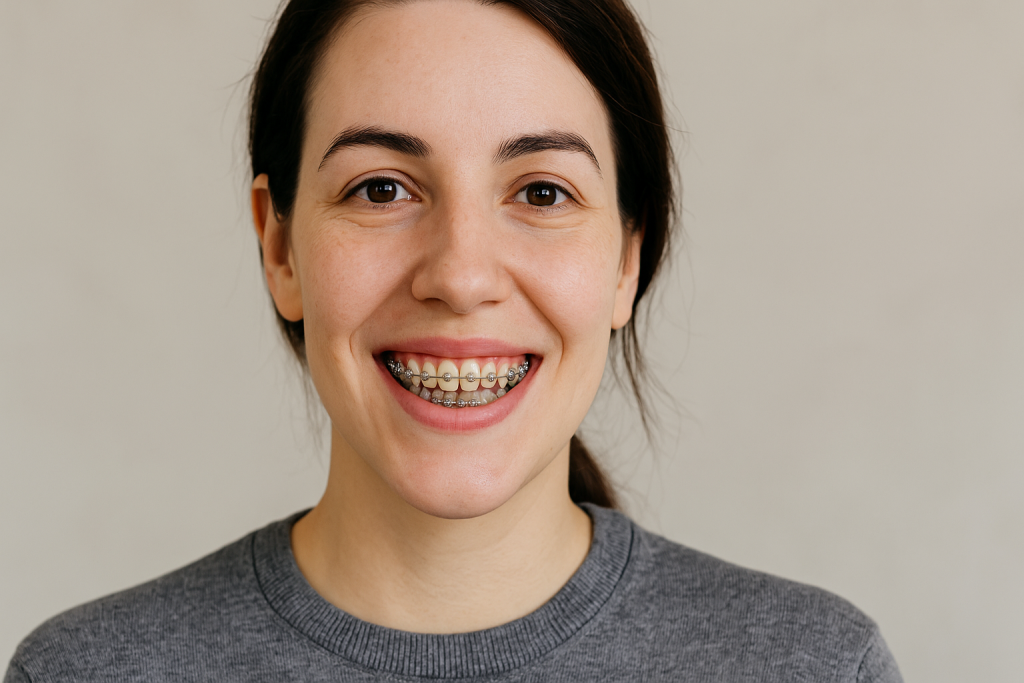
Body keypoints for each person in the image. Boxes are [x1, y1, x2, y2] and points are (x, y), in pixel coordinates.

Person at [5, 0, 903, 681]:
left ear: (627, 258)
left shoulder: (814, 665)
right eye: (382, 189)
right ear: (279, 246)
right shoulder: (86, 671)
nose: (462, 274)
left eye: (542, 193)